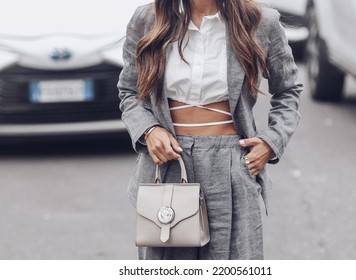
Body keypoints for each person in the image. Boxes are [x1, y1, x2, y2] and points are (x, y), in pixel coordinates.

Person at [118, 0, 302, 260]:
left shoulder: (261, 22)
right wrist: (149, 130)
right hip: (168, 161)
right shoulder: (149, 18)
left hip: (232, 163)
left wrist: (271, 141)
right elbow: (129, 91)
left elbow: (288, 90)